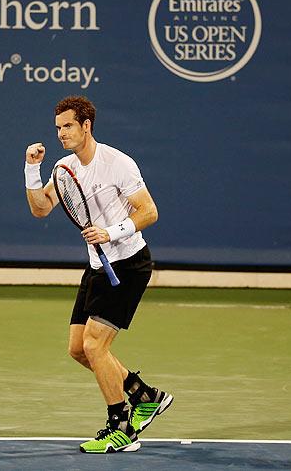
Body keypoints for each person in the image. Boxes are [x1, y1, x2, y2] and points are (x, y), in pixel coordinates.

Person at [24, 96, 173, 454]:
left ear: (86, 126)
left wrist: (113, 231)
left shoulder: (117, 163)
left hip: (128, 264)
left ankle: (121, 427)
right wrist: (31, 170)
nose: (61, 133)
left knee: (95, 345)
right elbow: (41, 210)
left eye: (68, 126)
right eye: (58, 127)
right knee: (79, 349)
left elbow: (148, 211)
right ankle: (145, 396)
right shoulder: (63, 169)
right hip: (97, 267)